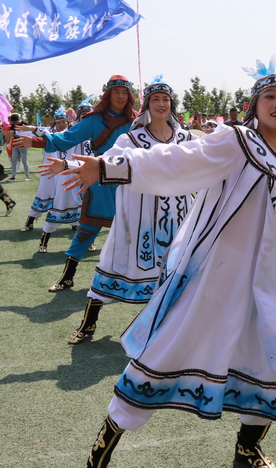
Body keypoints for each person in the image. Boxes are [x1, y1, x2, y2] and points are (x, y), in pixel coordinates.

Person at [56, 73, 276, 468]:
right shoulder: (236, 144)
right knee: (159, 360)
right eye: (270, 96)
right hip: (216, 287)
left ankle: (248, 445)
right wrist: (110, 167)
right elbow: (177, 160)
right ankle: (98, 458)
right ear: (256, 105)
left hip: (273, 294)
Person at [63, 79, 195, 344]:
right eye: (156, 99)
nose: (161, 104)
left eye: (165, 100)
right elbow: (108, 161)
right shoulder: (131, 138)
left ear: (171, 105)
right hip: (140, 216)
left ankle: (168, 333)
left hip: (179, 216)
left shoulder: (186, 138)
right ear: (147, 104)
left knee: (182, 271)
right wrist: (70, 165)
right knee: (115, 260)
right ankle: (88, 324)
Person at [15, 75, 135, 292]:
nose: (120, 96)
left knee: (137, 230)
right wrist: (35, 141)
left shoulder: (136, 121)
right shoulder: (94, 120)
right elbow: (65, 138)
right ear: (108, 95)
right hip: (100, 179)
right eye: (116, 92)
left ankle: (136, 279)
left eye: (124, 92)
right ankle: (67, 277)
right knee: (86, 230)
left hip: (130, 181)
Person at [20, 108, 84, 252]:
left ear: (68, 121)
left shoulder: (76, 134)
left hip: (71, 171)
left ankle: (77, 227)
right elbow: (41, 134)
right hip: (49, 173)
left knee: (77, 199)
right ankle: (30, 223)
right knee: (45, 195)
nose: (61, 124)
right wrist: (30, 129)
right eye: (59, 122)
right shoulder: (52, 134)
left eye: (63, 121)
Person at [4, 113, 32, 181]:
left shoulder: (25, 125)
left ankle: (27, 176)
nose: (14, 123)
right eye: (13, 122)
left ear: (18, 120)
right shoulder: (13, 125)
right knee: (13, 160)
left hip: (23, 144)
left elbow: (29, 134)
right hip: (15, 144)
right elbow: (11, 133)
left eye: (15, 122)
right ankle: (13, 176)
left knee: (24, 160)